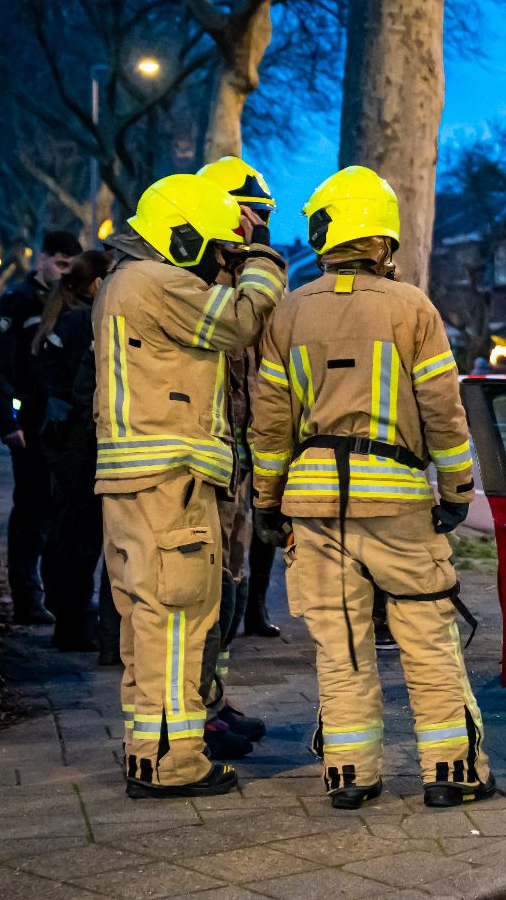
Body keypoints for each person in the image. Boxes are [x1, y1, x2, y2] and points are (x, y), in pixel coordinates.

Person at [249, 165, 493, 810]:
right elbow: (444, 411)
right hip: (399, 504)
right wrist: (458, 489)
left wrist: (267, 505)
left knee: (341, 644)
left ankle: (349, 776)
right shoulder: (412, 308)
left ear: (325, 234)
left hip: (314, 507)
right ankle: (451, 774)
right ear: (383, 238)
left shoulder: (288, 311)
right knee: (426, 637)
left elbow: (268, 425)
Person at [98, 173, 287, 798]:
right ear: (178, 235)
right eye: (205, 245)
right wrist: (261, 262)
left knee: (147, 622)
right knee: (176, 618)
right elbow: (238, 323)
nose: (212, 258)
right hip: (168, 481)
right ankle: (171, 764)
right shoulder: (156, 283)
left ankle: (148, 750)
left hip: (138, 480)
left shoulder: (122, 283)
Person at [193, 156, 279, 761]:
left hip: (239, 462)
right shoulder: (196, 280)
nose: (257, 222)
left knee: (231, 586)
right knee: (204, 591)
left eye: (264, 214)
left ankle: (213, 699)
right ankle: (194, 712)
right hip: (205, 463)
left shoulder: (236, 275)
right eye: (250, 211)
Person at [0, 229, 81, 624]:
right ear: (41, 260)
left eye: (70, 266)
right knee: (30, 510)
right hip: (28, 423)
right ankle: (26, 597)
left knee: (58, 513)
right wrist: (8, 422)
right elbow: (0, 368)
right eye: (59, 263)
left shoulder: (70, 304)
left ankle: (50, 596)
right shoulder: (16, 303)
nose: (63, 272)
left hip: (59, 425)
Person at [34, 250, 112, 651]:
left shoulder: (62, 319)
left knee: (66, 532)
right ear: (97, 284)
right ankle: (76, 623)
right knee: (82, 537)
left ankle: (67, 618)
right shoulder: (85, 322)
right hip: (83, 442)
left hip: (63, 441)